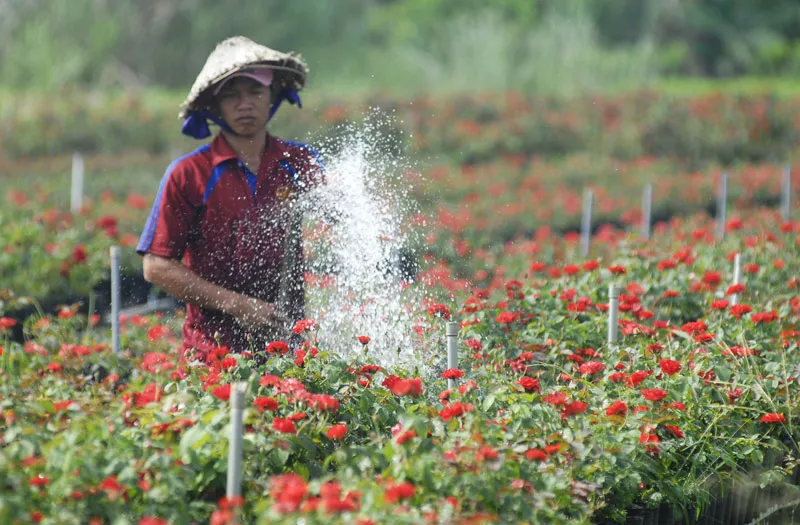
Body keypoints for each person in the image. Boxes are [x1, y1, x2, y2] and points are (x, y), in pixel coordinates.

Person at [137, 36, 325, 362]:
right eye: (231, 96)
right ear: (214, 107)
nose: (245, 104)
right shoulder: (189, 174)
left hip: (288, 345)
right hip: (213, 353)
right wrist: (236, 304)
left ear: (273, 96)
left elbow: (340, 211)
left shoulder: (299, 163)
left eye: (255, 92)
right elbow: (156, 266)